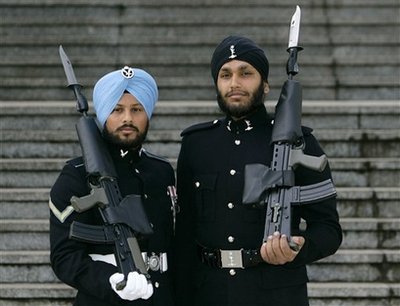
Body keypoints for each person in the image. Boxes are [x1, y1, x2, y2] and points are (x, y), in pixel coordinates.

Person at [173, 35, 342, 306]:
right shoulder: (197, 144)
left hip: (277, 294)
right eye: (225, 75)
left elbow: (329, 230)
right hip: (209, 293)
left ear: (265, 85)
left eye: (246, 73)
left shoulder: (298, 142)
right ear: (217, 84)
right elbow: (184, 236)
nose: (235, 83)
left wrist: (296, 248)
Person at [49, 66, 176, 306]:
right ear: (104, 113)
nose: (127, 118)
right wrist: (111, 281)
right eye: (117, 110)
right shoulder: (76, 175)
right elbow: (64, 256)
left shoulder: (161, 171)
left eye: (136, 109)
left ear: (148, 114)